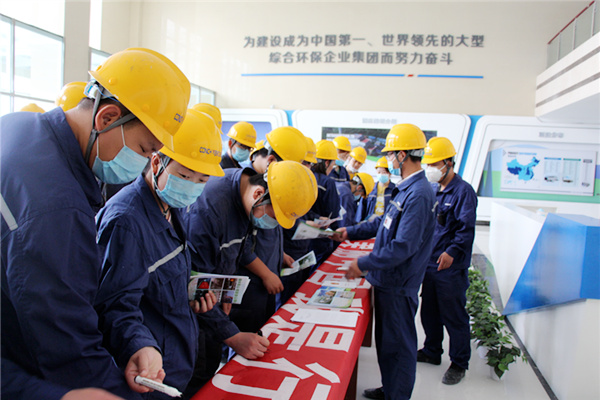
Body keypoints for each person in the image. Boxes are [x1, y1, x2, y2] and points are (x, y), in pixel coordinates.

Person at [1, 47, 190, 400]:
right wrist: (115, 391)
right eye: (144, 149)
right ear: (107, 118)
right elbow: (66, 345)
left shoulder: (20, 127)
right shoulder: (56, 205)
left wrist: (134, 343)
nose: (145, 162)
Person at [94, 109, 224, 399]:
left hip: (176, 361)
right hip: (149, 373)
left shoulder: (170, 207)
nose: (192, 186)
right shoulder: (126, 221)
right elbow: (114, 306)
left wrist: (189, 297)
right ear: (156, 162)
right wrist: (139, 346)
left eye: (202, 180)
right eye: (185, 175)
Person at [182, 160, 317, 396]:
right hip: (191, 310)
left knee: (210, 366)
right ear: (258, 194)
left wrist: (226, 290)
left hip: (215, 298)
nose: (272, 225)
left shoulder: (248, 200)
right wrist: (232, 335)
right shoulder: (208, 210)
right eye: (274, 217)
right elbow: (196, 283)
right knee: (198, 374)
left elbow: (241, 248)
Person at [332, 123, 437, 400]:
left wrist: (363, 263)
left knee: (399, 346)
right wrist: (349, 232)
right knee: (388, 344)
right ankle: (390, 388)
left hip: (398, 283)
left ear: (402, 155)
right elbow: (383, 222)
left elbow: (403, 246)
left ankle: (397, 395)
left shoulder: (418, 194)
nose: (388, 160)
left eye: (390, 154)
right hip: (389, 280)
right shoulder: (406, 188)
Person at [418, 137, 478, 385]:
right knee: (429, 312)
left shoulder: (464, 192)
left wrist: (452, 251)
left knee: (454, 316)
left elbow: (466, 228)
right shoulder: (433, 189)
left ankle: (459, 363)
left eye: (435, 163)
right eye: (428, 163)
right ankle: (432, 351)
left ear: (449, 163)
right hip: (430, 263)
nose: (430, 168)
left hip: (451, 266)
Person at [307, 139, 342, 267]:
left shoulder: (305, 177)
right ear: (327, 162)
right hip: (321, 237)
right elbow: (332, 213)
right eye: (333, 164)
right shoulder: (327, 182)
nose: (332, 168)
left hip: (303, 236)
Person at [355, 157, 395, 222]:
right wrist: (359, 223)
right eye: (379, 172)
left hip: (386, 223)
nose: (381, 174)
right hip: (370, 223)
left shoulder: (395, 189)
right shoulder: (370, 187)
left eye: (384, 172)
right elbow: (362, 208)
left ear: (389, 173)